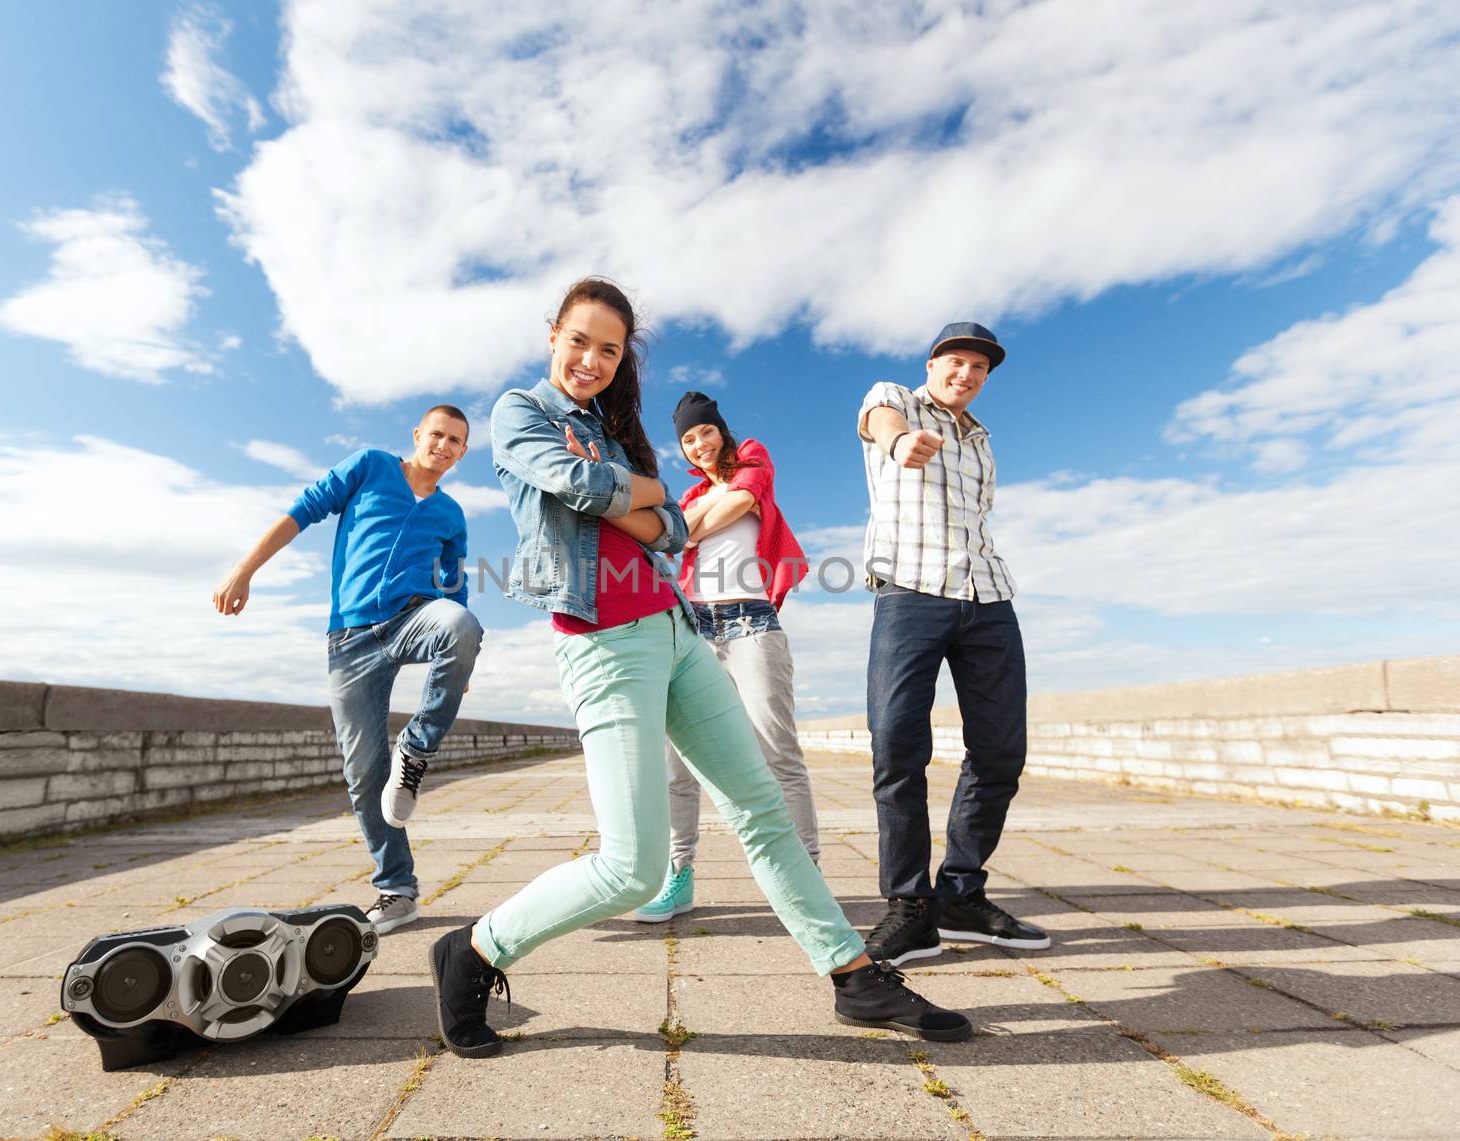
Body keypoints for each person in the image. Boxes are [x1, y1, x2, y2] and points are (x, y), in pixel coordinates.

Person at [426, 277, 971, 1059]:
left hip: (678, 629)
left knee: (760, 806)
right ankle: (475, 949)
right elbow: (582, 487)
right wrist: (639, 496)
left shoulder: (611, 433)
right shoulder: (520, 411)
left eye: (609, 349)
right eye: (579, 340)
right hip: (602, 636)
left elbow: (671, 527)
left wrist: (635, 498)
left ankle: (855, 975)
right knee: (633, 866)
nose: (591, 359)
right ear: (553, 335)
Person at [213, 406, 483, 935]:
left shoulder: (451, 514)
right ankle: (397, 890)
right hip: (351, 639)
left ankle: (417, 749)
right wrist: (245, 570)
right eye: (437, 435)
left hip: (414, 619)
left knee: (462, 624)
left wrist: (463, 652)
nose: (444, 446)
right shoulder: (371, 467)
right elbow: (302, 511)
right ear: (417, 436)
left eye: (455, 441)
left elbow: (454, 585)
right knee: (363, 774)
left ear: (463, 452)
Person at [856, 322, 1051, 966]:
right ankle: (909, 909)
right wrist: (902, 441)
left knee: (1000, 753)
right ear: (932, 364)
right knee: (898, 751)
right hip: (910, 593)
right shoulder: (897, 401)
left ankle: (962, 894)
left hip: (990, 598)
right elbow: (879, 420)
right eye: (955, 362)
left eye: (978, 367)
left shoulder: (984, 442)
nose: (965, 374)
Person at [632, 390, 820, 923]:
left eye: (705, 432)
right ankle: (679, 877)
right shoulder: (688, 497)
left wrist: (694, 521)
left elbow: (720, 512)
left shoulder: (754, 458)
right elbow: (676, 538)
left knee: (777, 752)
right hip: (693, 629)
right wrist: (694, 518)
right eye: (689, 440)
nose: (699, 445)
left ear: (722, 431)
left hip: (752, 623)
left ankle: (806, 876)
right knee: (675, 765)